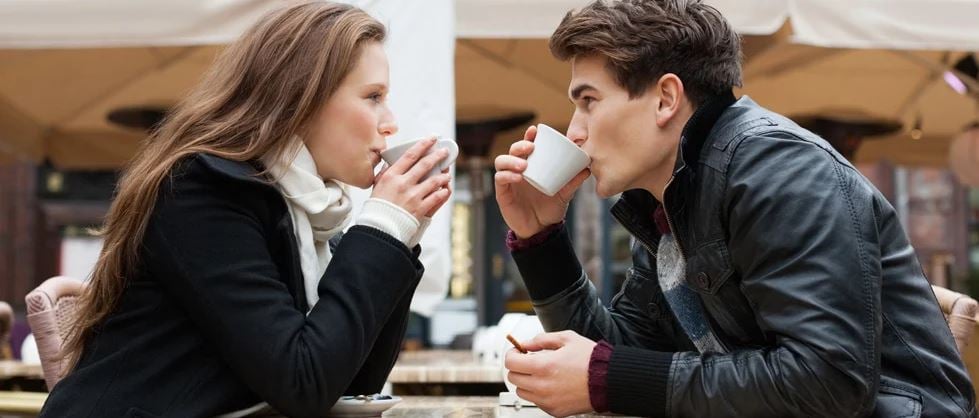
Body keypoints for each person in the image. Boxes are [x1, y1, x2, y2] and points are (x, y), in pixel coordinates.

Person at [495, 1, 975, 417]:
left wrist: (609, 377)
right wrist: (542, 241)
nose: (575, 131)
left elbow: (829, 383)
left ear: (666, 98)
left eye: (589, 102)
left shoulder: (779, 170)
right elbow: (620, 357)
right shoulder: (669, 201)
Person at [40, 2, 452, 417]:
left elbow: (353, 381)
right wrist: (383, 227)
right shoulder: (202, 189)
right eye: (374, 97)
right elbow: (303, 383)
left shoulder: (306, 213)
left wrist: (401, 235)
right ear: (303, 97)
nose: (391, 122)